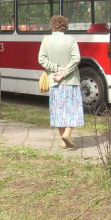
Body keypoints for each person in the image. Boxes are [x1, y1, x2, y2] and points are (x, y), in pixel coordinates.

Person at [38, 15, 84, 149]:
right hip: (71, 81)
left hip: (54, 82)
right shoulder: (70, 40)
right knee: (73, 110)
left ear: (52, 26)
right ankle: (67, 134)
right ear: (65, 26)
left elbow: (41, 59)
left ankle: (63, 140)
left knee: (58, 111)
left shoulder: (46, 40)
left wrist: (56, 68)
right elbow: (76, 59)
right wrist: (64, 73)